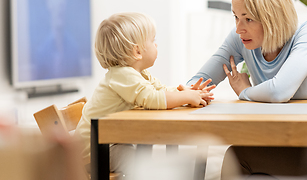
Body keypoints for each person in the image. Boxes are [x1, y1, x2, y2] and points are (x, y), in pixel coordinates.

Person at [187, 0, 307, 177]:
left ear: (273, 17)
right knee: (235, 155)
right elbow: (198, 81)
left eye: (248, 19)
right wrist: (191, 92)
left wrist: (244, 91)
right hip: (281, 141)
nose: (239, 29)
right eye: (236, 17)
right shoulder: (241, 39)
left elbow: (280, 91)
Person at [75, 12, 215, 177]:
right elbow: (154, 99)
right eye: (153, 40)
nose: (156, 45)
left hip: (110, 142)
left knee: (148, 161)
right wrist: (186, 98)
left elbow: (160, 92)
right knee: (148, 167)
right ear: (137, 52)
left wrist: (187, 92)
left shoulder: (138, 74)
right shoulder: (122, 75)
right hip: (95, 151)